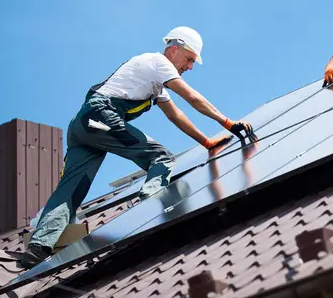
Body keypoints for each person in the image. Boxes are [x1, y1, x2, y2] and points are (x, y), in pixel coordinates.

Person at [19, 26, 255, 269]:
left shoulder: (156, 82)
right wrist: (227, 123)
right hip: (100, 117)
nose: (190, 67)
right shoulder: (158, 62)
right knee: (161, 157)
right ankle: (149, 207)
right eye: (189, 59)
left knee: (71, 190)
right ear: (174, 50)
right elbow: (192, 97)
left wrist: (206, 142)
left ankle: (38, 247)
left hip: (83, 126)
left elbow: (175, 116)